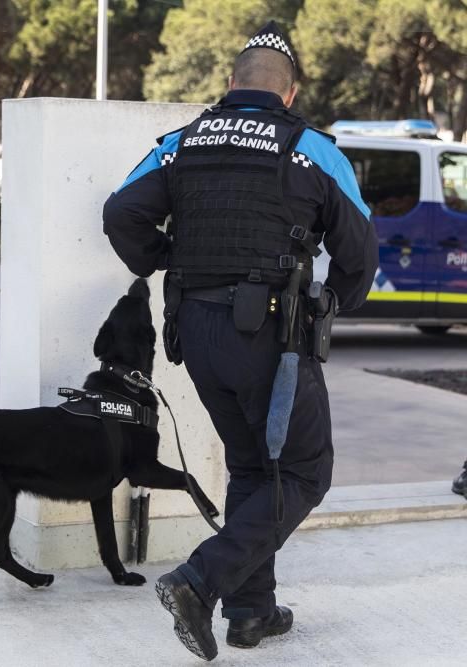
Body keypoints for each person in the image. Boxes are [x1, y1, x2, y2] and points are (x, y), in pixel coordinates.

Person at [101, 21, 378, 661]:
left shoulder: (181, 142)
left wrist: (166, 257)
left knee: (253, 464)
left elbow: (121, 213)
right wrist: (337, 301)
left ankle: (252, 613)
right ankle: (200, 580)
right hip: (272, 335)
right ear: (290, 92)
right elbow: (359, 250)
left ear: (231, 85)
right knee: (306, 469)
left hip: (195, 331)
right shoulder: (311, 147)